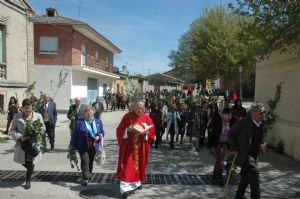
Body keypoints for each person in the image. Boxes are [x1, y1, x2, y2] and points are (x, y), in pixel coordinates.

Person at [116, 100, 154, 198]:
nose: (140, 110)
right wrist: (127, 130)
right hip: (128, 147)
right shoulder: (127, 116)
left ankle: (136, 184)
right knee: (127, 166)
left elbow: (151, 133)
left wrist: (145, 133)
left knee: (138, 166)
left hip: (141, 147)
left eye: (142, 108)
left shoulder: (147, 118)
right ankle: (124, 189)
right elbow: (119, 130)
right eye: (138, 108)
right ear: (133, 107)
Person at [229, 101, 267, 199]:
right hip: (245, 154)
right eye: (261, 113)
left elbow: (259, 137)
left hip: (254, 155)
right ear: (253, 113)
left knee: (246, 176)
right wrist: (234, 148)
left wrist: (262, 144)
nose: (263, 115)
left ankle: (239, 195)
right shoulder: (244, 122)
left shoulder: (262, 122)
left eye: (264, 112)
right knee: (254, 174)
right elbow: (231, 134)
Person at [10, 99, 46, 189]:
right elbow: (13, 129)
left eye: (29, 108)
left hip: (33, 143)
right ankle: (29, 171)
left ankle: (28, 180)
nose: (28, 110)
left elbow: (43, 128)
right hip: (22, 143)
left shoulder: (38, 116)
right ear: (22, 108)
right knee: (23, 162)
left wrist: (35, 134)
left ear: (32, 107)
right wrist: (20, 137)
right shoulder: (17, 116)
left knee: (30, 162)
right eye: (26, 108)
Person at [70, 106, 105, 186]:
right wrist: (72, 144)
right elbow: (74, 134)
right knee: (85, 161)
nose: (90, 115)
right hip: (83, 145)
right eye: (88, 113)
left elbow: (102, 132)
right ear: (85, 113)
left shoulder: (98, 122)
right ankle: (85, 177)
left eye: (91, 113)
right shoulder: (79, 122)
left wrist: (99, 136)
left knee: (90, 161)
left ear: (93, 113)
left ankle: (88, 174)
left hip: (93, 145)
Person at [208, 108, 232, 185]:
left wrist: (229, 147)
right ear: (224, 115)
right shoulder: (218, 123)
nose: (229, 117)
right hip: (218, 144)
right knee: (220, 161)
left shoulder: (230, 123)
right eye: (228, 115)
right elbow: (212, 134)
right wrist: (210, 146)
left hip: (224, 144)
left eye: (230, 116)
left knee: (219, 160)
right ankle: (220, 177)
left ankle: (215, 174)